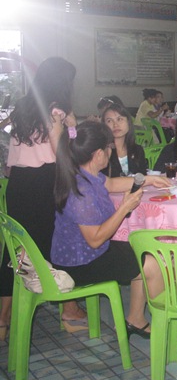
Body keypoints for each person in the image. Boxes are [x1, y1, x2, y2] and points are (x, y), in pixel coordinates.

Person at [51, 121, 166, 338]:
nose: (110, 151)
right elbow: (95, 240)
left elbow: (112, 184)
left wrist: (150, 180)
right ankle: (166, 322)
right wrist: (124, 208)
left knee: (142, 251)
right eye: (108, 148)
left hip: (84, 253)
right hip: (80, 262)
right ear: (98, 154)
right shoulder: (82, 191)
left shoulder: (85, 174)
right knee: (153, 263)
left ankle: (136, 319)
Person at [0, 57, 83, 338]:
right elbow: (63, 151)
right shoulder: (57, 110)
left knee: (18, 250)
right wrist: (73, 126)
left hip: (18, 184)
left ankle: (3, 319)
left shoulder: (23, 106)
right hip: (46, 182)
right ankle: (69, 309)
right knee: (59, 240)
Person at [101, 103, 148, 177]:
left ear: (128, 122)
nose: (115, 125)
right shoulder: (101, 152)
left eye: (119, 119)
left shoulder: (137, 150)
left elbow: (142, 177)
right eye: (109, 121)